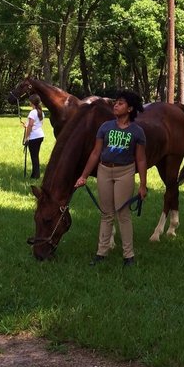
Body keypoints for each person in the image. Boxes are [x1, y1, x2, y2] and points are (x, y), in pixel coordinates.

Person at [74, 89, 148, 267]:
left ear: (130, 109)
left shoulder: (137, 132)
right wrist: (83, 176)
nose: (116, 105)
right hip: (104, 171)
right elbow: (95, 153)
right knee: (106, 214)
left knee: (123, 214)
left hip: (125, 172)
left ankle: (128, 255)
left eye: (121, 103)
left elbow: (141, 159)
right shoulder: (105, 127)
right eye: (116, 102)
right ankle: (101, 252)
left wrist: (143, 185)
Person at [21, 94, 45, 179]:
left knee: (34, 156)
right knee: (36, 155)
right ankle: (35, 174)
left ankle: (36, 175)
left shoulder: (32, 112)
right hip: (40, 135)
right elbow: (38, 124)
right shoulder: (41, 112)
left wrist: (27, 137)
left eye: (30, 101)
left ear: (32, 102)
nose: (29, 102)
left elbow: (31, 126)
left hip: (34, 136)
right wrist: (26, 125)